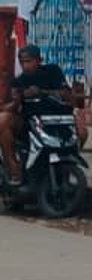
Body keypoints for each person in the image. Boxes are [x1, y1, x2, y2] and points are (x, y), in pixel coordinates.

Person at [1, 45, 72, 185]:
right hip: (30, 125)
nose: (25, 66)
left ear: (39, 60)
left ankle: (65, 169)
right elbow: (14, 105)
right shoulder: (19, 81)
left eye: (29, 61)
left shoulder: (53, 71)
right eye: (22, 62)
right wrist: (19, 98)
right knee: (3, 120)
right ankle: (14, 167)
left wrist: (43, 92)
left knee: (82, 132)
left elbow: (68, 96)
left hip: (55, 121)